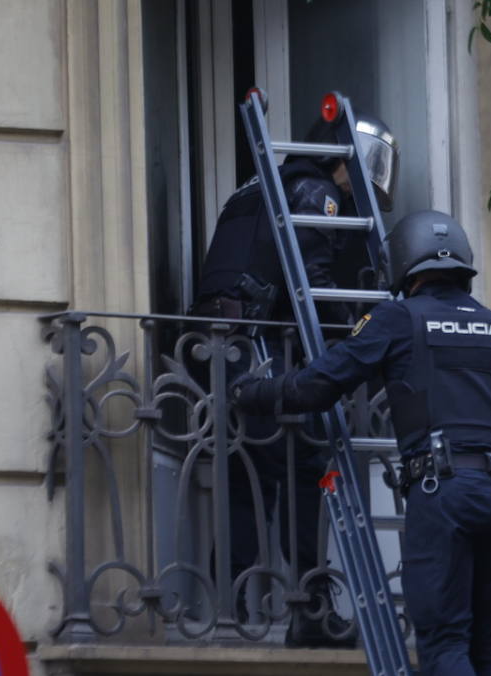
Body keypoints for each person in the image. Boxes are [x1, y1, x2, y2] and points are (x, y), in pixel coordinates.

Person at [232, 209, 491, 676]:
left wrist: (253, 393)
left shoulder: (397, 317)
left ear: (404, 264)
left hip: (445, 494)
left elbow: (321, 383)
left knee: (445, 642)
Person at [191, 109, 398, 648]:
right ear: (342, 155)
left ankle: (229, 605)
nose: (359, 190)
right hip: (258, 343)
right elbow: (314, 285)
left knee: (243, 470)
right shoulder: (314, 193)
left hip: (217, 345)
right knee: (306, 460)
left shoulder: (256, 185)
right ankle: (311, 606)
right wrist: (361, 339)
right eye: (361, 170)